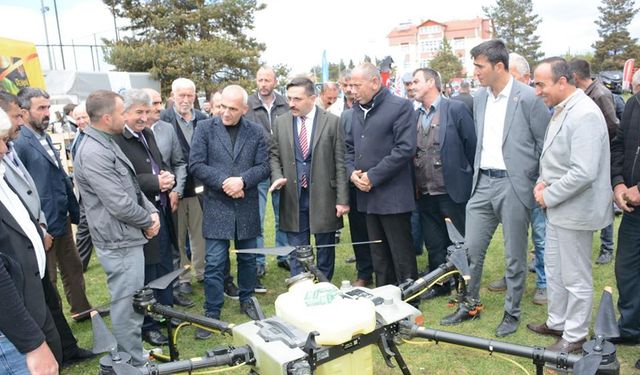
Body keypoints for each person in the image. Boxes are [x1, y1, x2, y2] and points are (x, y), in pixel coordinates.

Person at [440, 40, 549, 338]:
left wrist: (537, 181)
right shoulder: (480, 98)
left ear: (498, 66)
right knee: (470, 249)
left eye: (479, 66)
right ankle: (469, 304)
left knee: (515, 257)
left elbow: (544, 145)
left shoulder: (528, 97)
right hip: (483, 184)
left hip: (515, 185)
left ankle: (511, 313)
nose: (474, 72)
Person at [0, 92, 95, 367]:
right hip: (21, 274)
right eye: (18, 114)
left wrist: (39, 224)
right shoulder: (22, 142)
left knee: (55, 295)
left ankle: (66, 347)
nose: (6, 149)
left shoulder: (29, 141)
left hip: (47, 228)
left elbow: (28, 193)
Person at [526, 57, 612, 353]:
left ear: (562, 82)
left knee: (575, 275)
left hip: (576, 209)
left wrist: (547, 195)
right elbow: (554, 157)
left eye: (541, 84)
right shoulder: (562, 109)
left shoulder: (584, 113)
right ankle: (558, 321)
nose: (537, 90)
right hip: (559, 208)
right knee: (556, 268)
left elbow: (584, 172)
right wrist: (542, 181)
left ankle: (574, 335)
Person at [74, 90, 160, 366]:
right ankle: (133, 363)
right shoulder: (93, 152)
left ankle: (133, 355)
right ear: (108, 117)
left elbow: (131, 187)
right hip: (118, 240)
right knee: (127, 306)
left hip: (127, 235)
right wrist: (147, 221)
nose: (126, 117)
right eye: (123, 112)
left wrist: (151, 212)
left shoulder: (106, 141)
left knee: (131, 302)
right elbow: (119, 203)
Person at [189, 85, 270, 339]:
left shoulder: (256, 132)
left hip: (245, 204)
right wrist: (227, 182)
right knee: (214, 262)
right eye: (222, 106)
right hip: (217, 205)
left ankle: (247, 299)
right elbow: (196, 164)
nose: (225, 112)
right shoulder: (204, 128)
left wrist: (242, 181)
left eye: (232, 109)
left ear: (244, 109)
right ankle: (212, 311)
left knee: (247, 257)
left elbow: (264, 166)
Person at [14, 88, 95, 321]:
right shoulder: (19, 141)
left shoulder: (44, 136)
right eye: (41, 108)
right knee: (48, 278)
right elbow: (22, 188)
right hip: (43, 225)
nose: (47, 113)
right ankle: (57, 324)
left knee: (73, 267)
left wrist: (72, 210)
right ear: (23, 111)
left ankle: (82, 310)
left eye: (48, 107)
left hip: (61, 218)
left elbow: (59, 176)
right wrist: (38, 226)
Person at [113, 89, 176, 347]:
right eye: (139, 112)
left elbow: (159, 164)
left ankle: (167, 313)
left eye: (147, 111)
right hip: (140, 216)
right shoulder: (117, 140)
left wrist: (168, 177)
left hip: (159, 210)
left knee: (165, 265)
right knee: (147, 272)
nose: (145, 117)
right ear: (124, 113)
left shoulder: (147, 133)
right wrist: (155, 181)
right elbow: (123, 182)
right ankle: (149, 324)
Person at [345, 62, 418, 288]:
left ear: (375, 82)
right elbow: (347, 149)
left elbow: (405, 148)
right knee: (377, 251)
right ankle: (385, 294)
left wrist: (373, 176)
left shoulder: (400, 107)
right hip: (366, 196)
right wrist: (352, 174)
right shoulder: (352, 113)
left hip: (393, 195)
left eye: (357, 85)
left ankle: (409, 296)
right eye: (349, 86)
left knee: (400, 251)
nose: (351, 91)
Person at [269, 77, 349, 281]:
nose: (291, 103)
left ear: (312, 98)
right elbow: (274, 155)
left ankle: (324, 285)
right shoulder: (281, 122)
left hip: (325, 196)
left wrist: (342, 199)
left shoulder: (332, 122)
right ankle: (301, 286)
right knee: (298, 248)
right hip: (293, 196)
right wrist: (277, 177)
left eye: (297, 99)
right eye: (289, 98)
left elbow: (340, 162)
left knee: (325, 247)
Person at [0, 107, 60, 375]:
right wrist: (32, 344)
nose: (4, 150)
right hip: (12, 332)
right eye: (0, 141)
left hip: (32, 300)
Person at [488, 52, 548, 306]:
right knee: (514, 235)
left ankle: (544, 283)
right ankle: (513, 275)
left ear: (524, 77)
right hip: (512, 181)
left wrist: (540, 178)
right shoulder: (501, 100)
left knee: (541, 234)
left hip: (535, 181)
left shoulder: (536, 102)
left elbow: (543, 145)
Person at [411, 68, 476, 299]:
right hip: (425, 191)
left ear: (431, 83)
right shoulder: (415, 114)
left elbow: (472, 146)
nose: (412, 85)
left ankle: (464, 282)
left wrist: (465, 177)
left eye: (416, 81)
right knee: (434, 241)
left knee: (459, 240)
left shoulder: (455, 108)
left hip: (452, 190)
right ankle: (440, 284)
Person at [144, 88, 203, 305]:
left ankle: (175, 288)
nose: (159, 107)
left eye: (160, 102)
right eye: (154, 103)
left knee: (173, 246)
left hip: (171, 196)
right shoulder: (127, 134)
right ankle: (159, 292)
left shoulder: (166, 128)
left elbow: (178, 162)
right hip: (146, 200)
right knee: (165, 244)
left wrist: (176, 190)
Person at [160, 78, 207, 303]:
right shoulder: (163, 120)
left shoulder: (204, 119)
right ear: (173, 95)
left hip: (200, 188)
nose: (186, 100)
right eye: (182, 95)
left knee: (200, 234)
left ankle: (202, 272)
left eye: (190, 95)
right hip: (174, 190)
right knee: (178, 237)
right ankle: (183, 278)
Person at [245, 66, 290, 292]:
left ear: (275, 82)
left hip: (283, 167)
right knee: (258, 218)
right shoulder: (248, 105)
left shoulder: (285, 103)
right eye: (260, 80)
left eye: (267, 80)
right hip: (259, 167)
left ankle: (284, 255)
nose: (263, 84)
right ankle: (259, 261)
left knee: (284, 215)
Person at [569, 58, 618, 266]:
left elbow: (614, 125)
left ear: (575, 77)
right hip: (589, 156)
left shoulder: (600, 94)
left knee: (604, 200)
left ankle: (607, 247)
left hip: (602, 157)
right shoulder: (584, 95)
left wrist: (594, 141)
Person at [608, 69, 640, 346]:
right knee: (627, 269)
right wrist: (618, 183)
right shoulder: (633, 103)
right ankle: (630, 329)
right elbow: (619, 145)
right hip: (633, 210)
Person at [68, 102, 95, 272]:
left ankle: (79, 264)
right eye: (77, 118)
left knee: (84, 228)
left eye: (83, 117)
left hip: (93, 192)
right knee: (84, 229)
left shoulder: (93, 136)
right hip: (84, 192)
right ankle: (80, 264)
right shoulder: (79, 134)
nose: (80, 121)